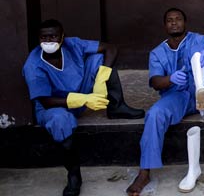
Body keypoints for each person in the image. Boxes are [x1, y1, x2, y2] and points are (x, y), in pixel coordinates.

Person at [22, 19, 144, 196]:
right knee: (60, 120)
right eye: (44, 37)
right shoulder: (33, 65)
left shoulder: (73, 44)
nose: (49, 41)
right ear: (38, 39)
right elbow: (45, 101)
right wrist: (84, 99)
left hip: (81, 92)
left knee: (100, 59)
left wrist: (101, 78)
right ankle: (74, 175)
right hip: (54, 106)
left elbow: (110, 48)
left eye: (54, 36)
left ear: (62, 37)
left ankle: (117, 107)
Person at [127, 8, 204, 196]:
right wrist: (170, 79)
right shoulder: (157, 52)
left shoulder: (197, 39)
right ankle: (144, 172)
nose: (174, 23)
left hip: (200, 89)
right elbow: (155, 82)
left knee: (202, 62)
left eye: (178, 19)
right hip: (176, 96)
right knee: (154, 114)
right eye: (169, 20)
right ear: (165, 25)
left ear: (185, 22)